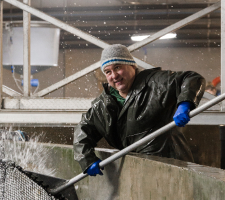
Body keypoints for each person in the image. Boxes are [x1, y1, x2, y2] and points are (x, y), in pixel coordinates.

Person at [73, 44, 206, 176]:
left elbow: (191, 78)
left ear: (132, 65)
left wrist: (185, 103)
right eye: (108, 72)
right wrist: (86, 159)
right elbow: (83, 132)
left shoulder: (155, 83)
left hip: (171, 167)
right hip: (136, 172)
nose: (114, 75)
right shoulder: (102, 105)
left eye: (118, 67)